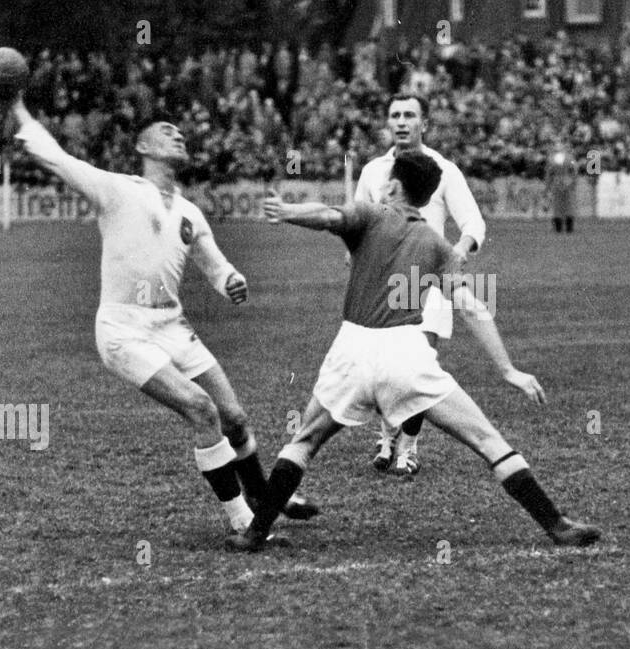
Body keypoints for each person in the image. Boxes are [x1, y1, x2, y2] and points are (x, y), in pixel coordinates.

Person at [226, 151, 599, 552]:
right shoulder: (438, 245)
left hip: (352, 349)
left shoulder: (370, 215)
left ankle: (254, 533)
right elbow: (471, 307)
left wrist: (286, 211)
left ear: (392, 186)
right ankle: (556, 524)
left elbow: (329, 216)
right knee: (487, 440)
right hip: (407, 353)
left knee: (304, 441)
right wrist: (508, 369)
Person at [0, 91, 316, 533]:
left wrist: (231, 282)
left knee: (236, 418)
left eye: (181, 132)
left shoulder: (190, 212)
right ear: (143, 149)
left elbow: (216, 266)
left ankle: (261, 495)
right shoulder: (117, 190)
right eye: (166, 131)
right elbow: (54, 157)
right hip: (124, 329)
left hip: (172, 324)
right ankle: (244, 521)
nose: (178, 134)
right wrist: (17, 108)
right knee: (201, 410)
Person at [354, 93, 486, 476]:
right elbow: (358, 217)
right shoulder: (373, 172)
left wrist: (459, 249)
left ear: (423, 123)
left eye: (409, 115)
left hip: (425, 282)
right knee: (383, 368)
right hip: (381, 283)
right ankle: (386, 437)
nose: (401, 121)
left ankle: (407, 449)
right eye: (395, 114)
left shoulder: (443, 169)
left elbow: (473, 222)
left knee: (417, 367)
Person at [544, 143, 577, 234]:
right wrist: (573, 182)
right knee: (568, 205)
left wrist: (547, 187)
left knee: (557, 205)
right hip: (567, 181)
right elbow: (574, 171)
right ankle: (569, 228)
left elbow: (548, 174)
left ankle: (558, 228)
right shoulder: (570, 158)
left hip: (556, 182)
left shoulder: (551, 159)